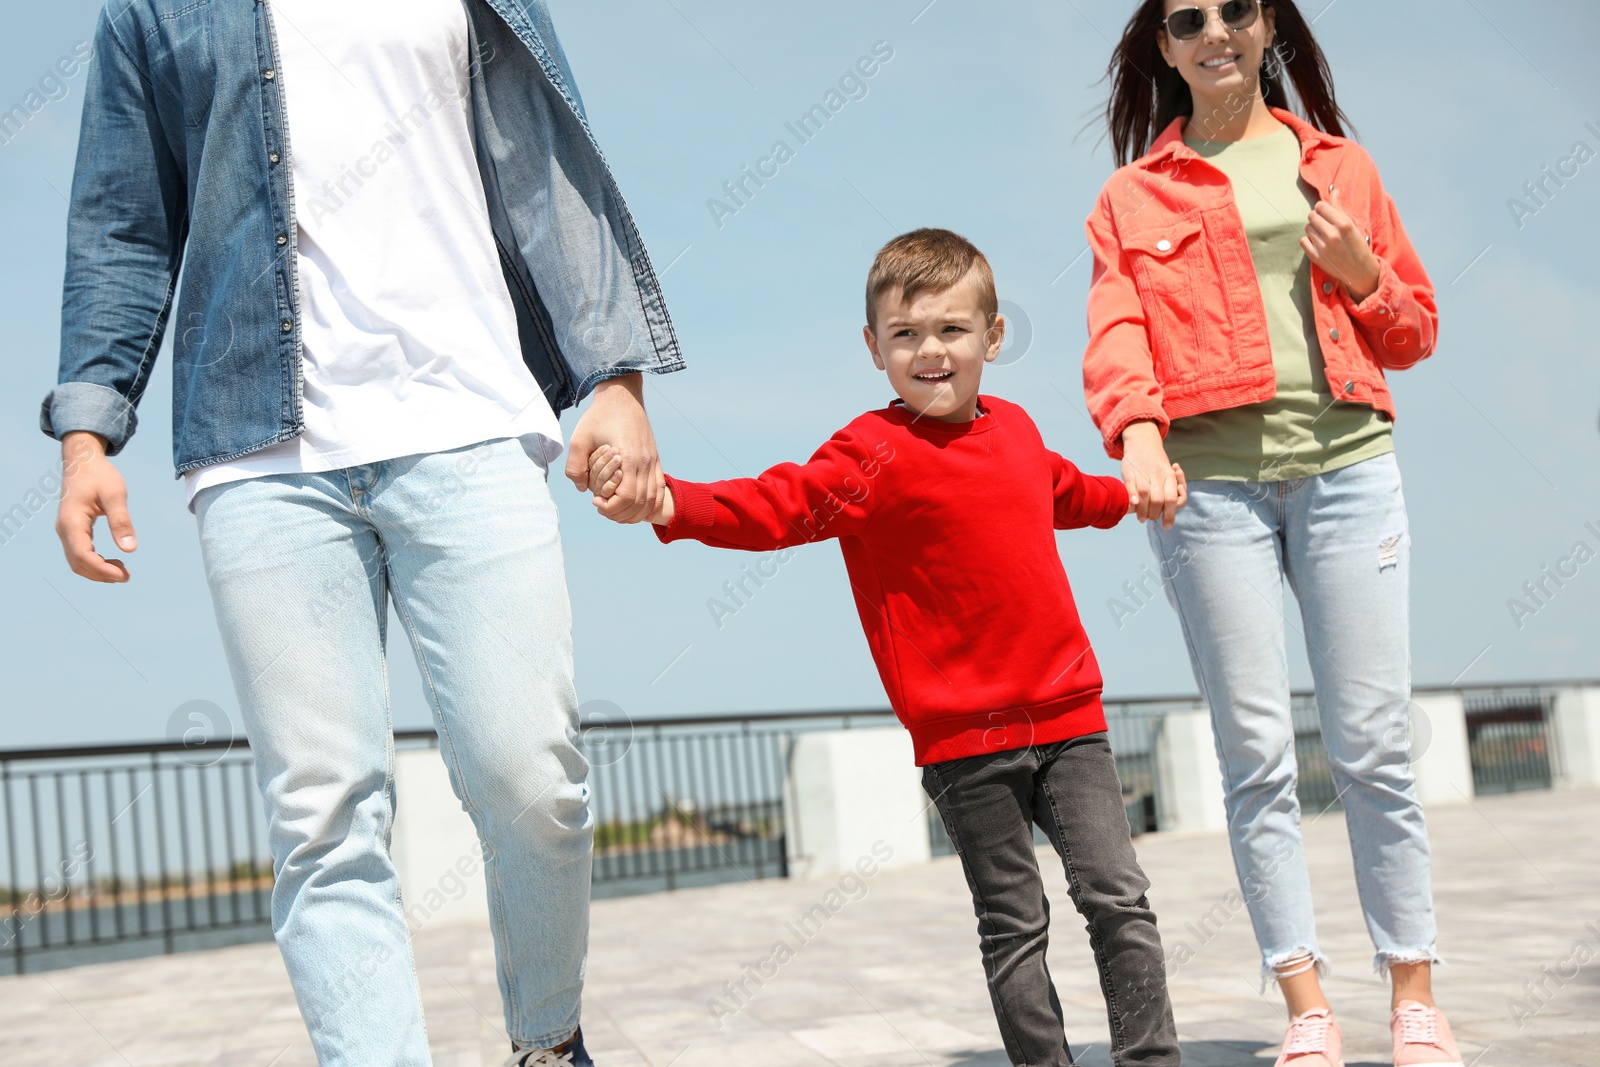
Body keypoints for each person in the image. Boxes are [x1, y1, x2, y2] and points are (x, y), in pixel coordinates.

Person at [43, 1, 682, 1063]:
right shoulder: (153, 10)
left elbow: (546, 167)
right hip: (257, 450)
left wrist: (613, 379)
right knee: (323, 813)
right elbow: (120, 224)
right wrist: (86, 435)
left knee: (532, 775)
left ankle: (545, 1035)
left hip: (470, 419)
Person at [587, 229, 1186, 1067]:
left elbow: (1069, 492)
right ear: (874, 347)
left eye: (951, 329)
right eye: (905, 335)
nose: (930, 351)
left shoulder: (1015, 430)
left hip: (1070, 717)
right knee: (1016, 924)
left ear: (993, 336)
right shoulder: (869, 452)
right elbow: (774, 505)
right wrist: (667, 503)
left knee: (1119, 899)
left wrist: (1132, 493)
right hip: (964, 742)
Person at [1084, 3, 1460, 1066]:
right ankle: (1305, 1004)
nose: (1216, 31)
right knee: (1253, 757)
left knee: (1373, 746)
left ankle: (1414, 997)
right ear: (1163, 46)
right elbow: (1117, 332)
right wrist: (1139, 436)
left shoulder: (1344, 170)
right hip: (1210, 493)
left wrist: (1360, 274)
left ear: (1267, 29)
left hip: (1346, 470)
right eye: (1187, 18)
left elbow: (1415, 327)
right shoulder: (1129, 195)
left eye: (1236, 10)